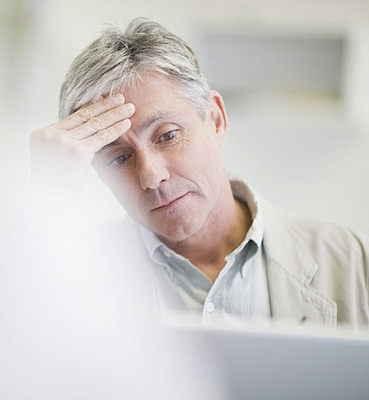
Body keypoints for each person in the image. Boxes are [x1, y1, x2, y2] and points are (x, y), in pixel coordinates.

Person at [29, 18, 369, 329]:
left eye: (167, 136)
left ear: (216, 119)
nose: (151, 177)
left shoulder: (345, 258)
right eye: (119, 159)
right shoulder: (76, 276)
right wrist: (49, 200)